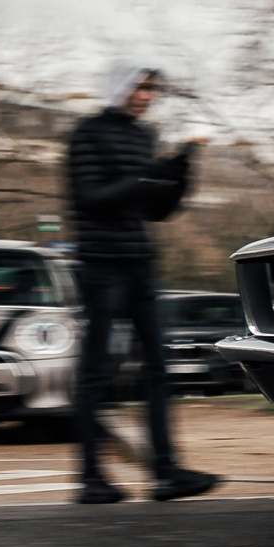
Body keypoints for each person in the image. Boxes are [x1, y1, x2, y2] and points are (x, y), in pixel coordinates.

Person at [64, 60, 220, 505]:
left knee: (157, 369)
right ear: (120, 87)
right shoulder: (87, 133)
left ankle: (167, 473)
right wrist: (142, 179)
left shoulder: (143, 135)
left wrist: (179, 174)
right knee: (95, 372)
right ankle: (91, 479)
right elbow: (89, 198)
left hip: (140, 262)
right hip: (101, 263)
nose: (148, 96)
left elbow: (155, 211)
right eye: (140, 88)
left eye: (152, 90)